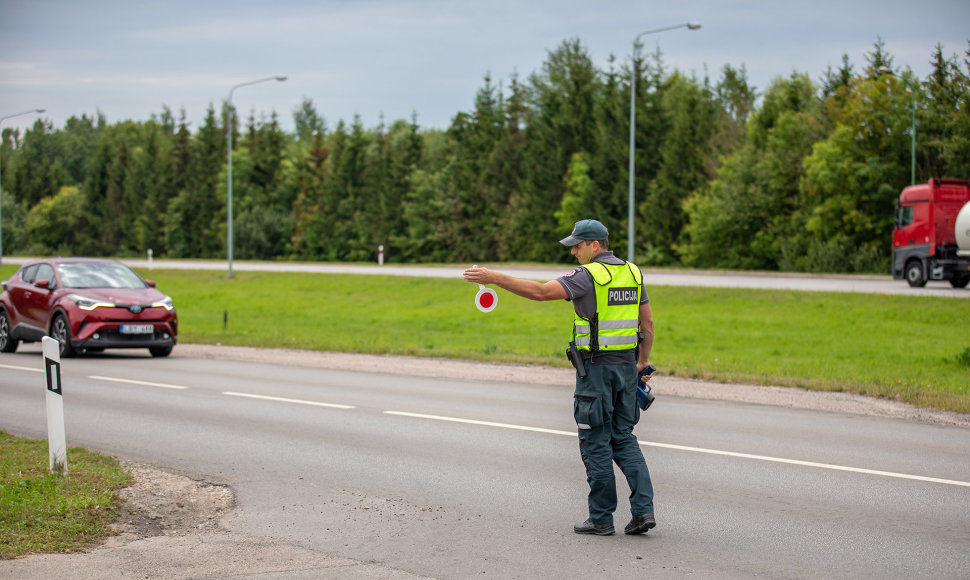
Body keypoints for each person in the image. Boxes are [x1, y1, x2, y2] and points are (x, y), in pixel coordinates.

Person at [462, 218, 656, 536]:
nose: (574, 252)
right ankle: (643, 512)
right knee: (623, 439)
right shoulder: (632, 272)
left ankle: (601, 518)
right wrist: (642, 363)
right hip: (626, 370)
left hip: (596, 372)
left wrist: (494, 277)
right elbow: (647, 325)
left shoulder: (588, 275)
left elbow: (540, 293)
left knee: (595, 442)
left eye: (577, 245)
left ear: (595, 245)